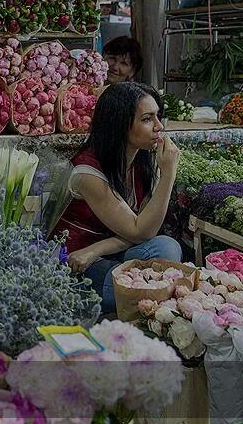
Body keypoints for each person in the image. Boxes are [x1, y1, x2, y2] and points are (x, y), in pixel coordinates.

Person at [51, 82, 182, 314]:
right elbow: (140, 231)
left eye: (157, 116)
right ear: (120, 125)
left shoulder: (141, 160)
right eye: (147, 119)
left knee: (167, 247)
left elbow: (144, 230)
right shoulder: (87, 172)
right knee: (140, 290)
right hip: (76, 264)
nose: (159, 127)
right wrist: (169, 174)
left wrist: (97, 249)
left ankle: (144, 294)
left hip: (102, 254)